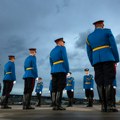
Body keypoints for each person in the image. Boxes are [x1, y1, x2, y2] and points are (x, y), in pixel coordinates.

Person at [86, 20, 119, 112]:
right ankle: (109, 105)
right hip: (108, 58)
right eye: (103, 24)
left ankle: (103, 105)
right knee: (109, 80)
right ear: (101, 24)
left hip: (96, 60)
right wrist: (116, 59)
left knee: (100, 81)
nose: (104, 25)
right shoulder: (107, 31)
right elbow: (113, 46)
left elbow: (89, 52)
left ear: (95, 26)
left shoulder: (89, 37)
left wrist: (93, 61)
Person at [49, 38, 69, 110]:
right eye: (63, 42)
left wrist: (52, 70)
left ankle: (54, 105)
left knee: (54, 87)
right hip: (61, 69)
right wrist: (67, 70)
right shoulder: (62, 48)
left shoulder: (52, 51)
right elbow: (65, 60)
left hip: (54, 70)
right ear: (59, 42)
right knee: (60, 86)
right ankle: (58, 104)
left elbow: (51, 62)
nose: (63, 43)